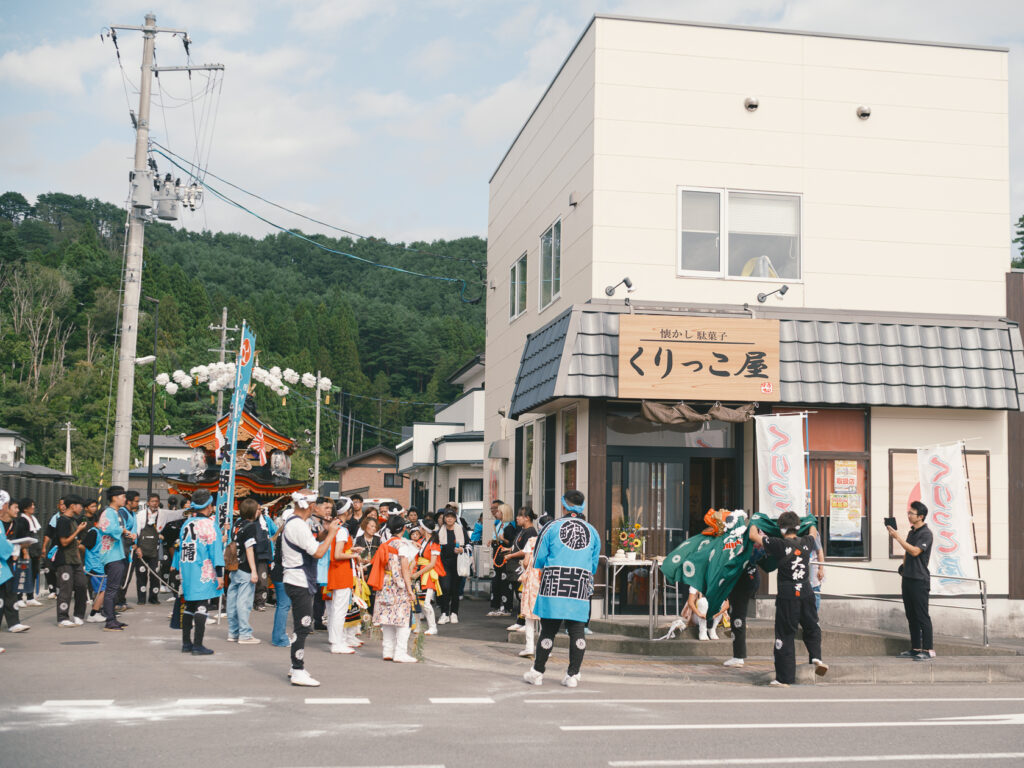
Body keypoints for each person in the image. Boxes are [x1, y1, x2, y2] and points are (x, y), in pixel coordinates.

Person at [524, 490, 600, 688]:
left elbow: (538, 558)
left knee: (548, 629)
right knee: (577, 630)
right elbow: (593, 564)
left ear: (564, 505)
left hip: (555, 580)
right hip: (580, 582)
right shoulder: (592, 531)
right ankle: (573, 674)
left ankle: (537, 672)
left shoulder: (551, 527)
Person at [749, 511, 828, 686]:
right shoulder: (807, 541)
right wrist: (811, 520)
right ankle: (816, 656)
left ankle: (784, 678)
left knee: (785, 634)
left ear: (782, 529)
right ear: (798, 528)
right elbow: (813, 530)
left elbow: (753, 535)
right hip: (806, 591)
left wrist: (755, 520)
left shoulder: (778, 544)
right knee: (812, 625)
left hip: (787, 594)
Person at [279, 490, 341, 686]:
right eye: (315, 504)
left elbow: (313, 542)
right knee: (303, 626)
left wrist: (325, 531)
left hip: (295, 578)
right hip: (299, 580)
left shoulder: (296, 522)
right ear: (310, 506)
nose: (317, 507)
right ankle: (298, 669)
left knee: (301, 625)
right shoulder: (298, 525)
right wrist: (331, 533)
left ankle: (295, 666)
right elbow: (317, 552)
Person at [171, 489, 224, 655]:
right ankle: (198, 645)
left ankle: (186, 643)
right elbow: (215, 552)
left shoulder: (187, 523)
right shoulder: (210, 525)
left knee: (189, 605)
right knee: (202, 605)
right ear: (209, 505)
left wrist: (177, 565)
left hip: (187, 569)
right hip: (204, 569)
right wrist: (220, 575)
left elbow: (180, 547)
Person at [888, 500, 934, 662]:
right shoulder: (912, 532)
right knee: (911, 615)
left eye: (911, 513)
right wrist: (904, 568)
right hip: (908, 578)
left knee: (922, 616)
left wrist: (897, 538)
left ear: (920, 516)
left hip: (920, 580)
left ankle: (928, 650)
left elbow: (915, 551)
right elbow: (907, 553)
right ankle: (915, 648)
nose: (909, 515)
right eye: (908, 512)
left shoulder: (926, 534)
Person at [368, 515, 417, 663]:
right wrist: (409, 589)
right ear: (403, 528)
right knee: (402, 620)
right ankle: (400, 653)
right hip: (398, 584)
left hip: (385, 583)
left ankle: (387, 651)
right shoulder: (402, 546)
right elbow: (405, 569)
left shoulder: (386, 543)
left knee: (387, 619)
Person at [325, 498, 363, 654]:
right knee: (339, 610)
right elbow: (338, 554)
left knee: (336, 609)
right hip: (341, 572)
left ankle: (336, 640)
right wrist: (353, 555)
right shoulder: (342, 529)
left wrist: (352, 552)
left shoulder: (337, 527)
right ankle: (337, 642)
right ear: (347, 512)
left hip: (337, 571)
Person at [226, 498, 261, 644]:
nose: (260, 511)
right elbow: (249, 548)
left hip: (234, 566)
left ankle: (233, 632)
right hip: (245, 567)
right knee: (244, 601)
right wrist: (254, 570)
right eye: (258, 509)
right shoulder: (251, 526)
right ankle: (245, 634)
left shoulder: (237, 524)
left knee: (232, 600)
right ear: (252, 511)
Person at [96, 486, 131, 631]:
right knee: (111, 589)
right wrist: (122, 530)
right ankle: (109, 620)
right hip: (111, 555)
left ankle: (113, 619)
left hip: (117, 553)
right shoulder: (108, 513)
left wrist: (127, 533)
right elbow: (107, 529)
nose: (124, 499)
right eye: (122, 496)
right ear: (114, 497)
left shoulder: (116, 513)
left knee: (114, 588)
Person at [723, 548, 763, 668]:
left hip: (744, 581)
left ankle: (738, 657)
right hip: (744, 580)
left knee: (738, 618)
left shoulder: (744, 540)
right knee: (736, 617)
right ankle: (738, 653)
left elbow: (758, 552)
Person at [53, 495, 88, 627]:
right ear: (72, 506)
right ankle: (62, 617)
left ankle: (78, 615)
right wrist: (78, 530)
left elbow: (74, 543)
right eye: (80, 506)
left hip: (75, 560)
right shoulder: (63, 521)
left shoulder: (73, 520)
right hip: (64, 560)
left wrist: (80, 561)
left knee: (81, 585)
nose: (82, 509)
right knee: (65, 589)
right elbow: (64, 542)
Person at [0, 490, 30, 635]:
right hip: (3, 561)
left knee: (10, 592)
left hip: (8, 564)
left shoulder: (17, 524)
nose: (17, 510)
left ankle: (14, 622)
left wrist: (23, 550)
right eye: (15, 507)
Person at [504, 507, 538, 632]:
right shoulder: (523, 530)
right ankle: (520, 621)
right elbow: (519, 547)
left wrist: (511, 555)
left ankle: (526, 622)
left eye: (520, 516)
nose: (517, 518)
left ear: (527, 518)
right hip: (515, 567)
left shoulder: (531, 531)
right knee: (520, 595)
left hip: (523, 568)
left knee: (522, 595)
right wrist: (509, 550)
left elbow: (527, 551)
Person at [516, 510, 542, 657]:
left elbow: (526, 562)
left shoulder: (532, 541)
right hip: (545, 580)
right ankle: (546, 647)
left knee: (529, 616)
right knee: (544, 617)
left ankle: (529, 647)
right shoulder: (548, 541)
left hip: (532, 580)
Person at [410, 520, 443, 636]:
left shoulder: (434, 543)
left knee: (426, 602)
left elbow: (432, 563)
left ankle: (432, 627)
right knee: (416, 601)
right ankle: (417, 626)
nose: (419, 529)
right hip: (419, 571)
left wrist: (417, 573)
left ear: (424, 529)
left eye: (420, 527)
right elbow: (415, 558)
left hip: (428, 573)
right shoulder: (421, 541)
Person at [436, 508, 466, 624]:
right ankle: (444, 613)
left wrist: (462, 549)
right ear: (444, 518)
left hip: (457, 563)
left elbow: (468, 545)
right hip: (444, 563)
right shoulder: (440, 531)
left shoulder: (460, 530)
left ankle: (454, 613)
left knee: (455, 589)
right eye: (447, 517)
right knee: (445, 588)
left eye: (451, 517)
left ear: (455, 518)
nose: (449, 519)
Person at [487, 502, 516, 617]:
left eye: (499, 511)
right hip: (497, 556)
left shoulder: (510, 527)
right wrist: (493, 540)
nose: (497, 513)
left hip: (505, 557)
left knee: (505, 583)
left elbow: (511, 543)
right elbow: (497, 538)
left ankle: (506, 606)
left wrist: (503, 539)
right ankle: (496, 605)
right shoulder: (499, 524)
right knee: (496, 582)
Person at [134, 495, 162, 605]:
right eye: (152, 501)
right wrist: (137, 547)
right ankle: (141, 598)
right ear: (148, 503)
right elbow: (136, 532)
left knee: (155, 575)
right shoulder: (141, 515)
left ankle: (153, 597)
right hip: (142, 550)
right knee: (141, 575)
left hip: (155, 550)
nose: (155, 503)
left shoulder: (162, 515)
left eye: (156, 501)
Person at [15, 499, 42, 606]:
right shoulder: (22, 520)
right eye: (31, 505)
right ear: (25, 508)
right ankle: (19, 598)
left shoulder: (33, 519)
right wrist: (25, 552)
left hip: (35, 551)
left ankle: (30, 597)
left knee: (33, 573)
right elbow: (22, 537)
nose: (33, 507)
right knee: (23, 573)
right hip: (26, 551)